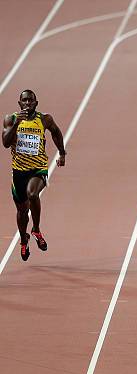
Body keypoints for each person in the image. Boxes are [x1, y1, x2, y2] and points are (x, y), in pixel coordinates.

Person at [2, 90, 66, 261]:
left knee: (33, 194)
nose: (28, 103)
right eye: (24, 100)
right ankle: (24, 239)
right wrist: (17, 125)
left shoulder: (44, 119)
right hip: (19, 172)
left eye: (31, 100)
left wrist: (62, 153)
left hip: (38, 168)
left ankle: (36, 229)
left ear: (36, 103)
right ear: (19, 103)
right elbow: (6, 143)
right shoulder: (11, 119)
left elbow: (56, 132)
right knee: (22, 212)